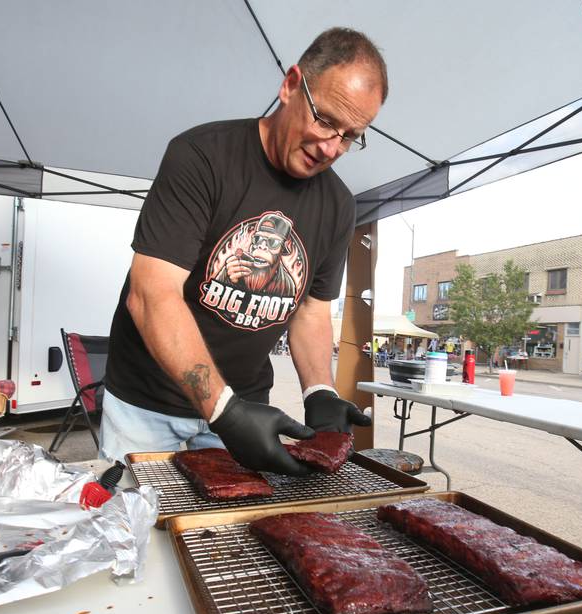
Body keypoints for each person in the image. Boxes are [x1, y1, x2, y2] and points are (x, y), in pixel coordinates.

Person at [100, 28, 387, 474]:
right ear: (291, 85)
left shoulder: (338, 205)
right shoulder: (201, 157)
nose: (331, 147)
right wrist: (224, 410)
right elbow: (151, 295)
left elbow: (311, 311)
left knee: (226, 541)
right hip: (148, 405)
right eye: (326, 120)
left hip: (247, 408)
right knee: (137, 534)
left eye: (351, 136)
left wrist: (319, 391)